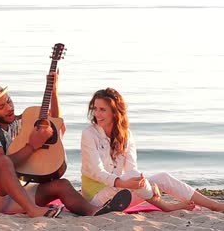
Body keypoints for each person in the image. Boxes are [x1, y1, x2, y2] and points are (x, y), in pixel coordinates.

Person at [0, 77, 132, 217]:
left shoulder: (13, 122)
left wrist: (54, 90)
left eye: (9, 101)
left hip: (14, 196)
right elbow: (1, 167)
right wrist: (32, 146)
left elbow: (55, 122)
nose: (9, 108)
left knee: (62, 185)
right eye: (1, 107)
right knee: (3, 162)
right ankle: (33, 210)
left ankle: (94, 211)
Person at [81, 88, 224, 212]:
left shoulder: (126, 135)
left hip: (118, 194)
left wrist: (146, 184)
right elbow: (97, 172)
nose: (97, 114)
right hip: (95, 199)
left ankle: (215, 206)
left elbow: (131, 169)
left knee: (163, 178)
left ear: (114, 112)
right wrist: (127, 184)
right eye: (95, 109)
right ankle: (165, 206)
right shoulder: (89, 134)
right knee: (135, 177)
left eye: (102, 109)